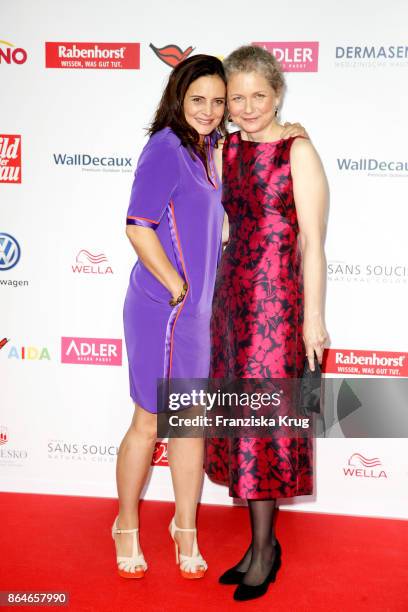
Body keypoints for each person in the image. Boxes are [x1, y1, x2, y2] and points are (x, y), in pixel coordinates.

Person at [113, 53, 307, 581]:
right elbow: (137, 226)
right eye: (198, 99)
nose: (210, 109)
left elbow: (267, 145)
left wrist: (293, 129)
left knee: (191, 426)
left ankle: (185, 529)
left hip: (201, 316)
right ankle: (126, 523)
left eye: (218, 101)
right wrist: (175, 284)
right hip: (161, 309)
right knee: (150, 420)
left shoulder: (212, 149)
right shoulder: (166, 147)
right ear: (178, 98)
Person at [205, 45, 329, 601]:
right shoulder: (225, 150)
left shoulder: (297, 151)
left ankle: (264, 551)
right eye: (239, 98)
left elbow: (313, 244)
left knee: (265, 424)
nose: (249, 107)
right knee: (239, 420)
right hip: (232, 303)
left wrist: (314, 322)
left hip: (277, 306)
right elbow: (222, 219)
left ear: (277, 93)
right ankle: (259, 547)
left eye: (260, 95)